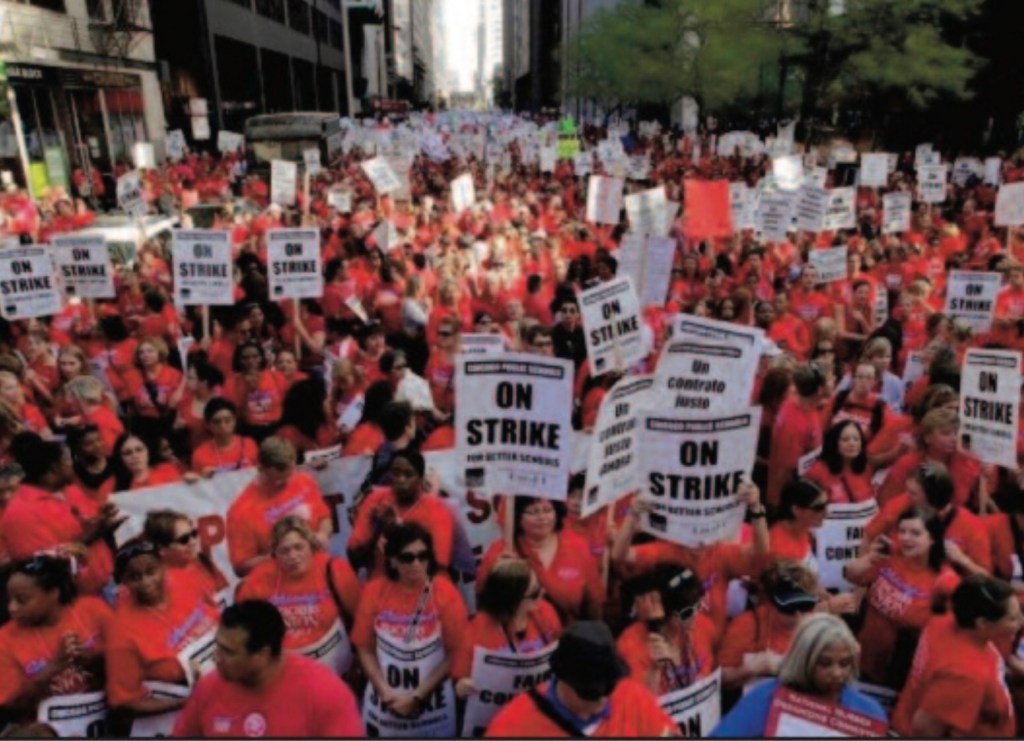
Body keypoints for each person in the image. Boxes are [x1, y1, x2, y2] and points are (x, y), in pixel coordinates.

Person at [172, 600, 365, 737]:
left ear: (262, 655)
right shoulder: (209, 687)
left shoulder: (325, 693)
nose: (216, 658)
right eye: (218, 646)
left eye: (228, 652)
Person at [351, 523, 467, 737]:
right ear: (392, 560)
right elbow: (363, 646)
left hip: (434, 708)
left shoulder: (445, 593)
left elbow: (456, 652)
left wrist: (418, 696)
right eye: (407, 557)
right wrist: (384, 692)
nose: (416, 563)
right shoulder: (375, 591)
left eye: (423, 556)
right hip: (384, 705)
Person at [484, 620, 678, 737]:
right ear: (563, 679)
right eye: (591, 692)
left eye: (609, 686)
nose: (603, 698)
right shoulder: (514, 725)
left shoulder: (631, 696)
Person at [710, 614, 888, 737]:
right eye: (825, 663)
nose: (836, 673)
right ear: (803, 659)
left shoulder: (869, 714)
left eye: (844, 663)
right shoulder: (765, 699)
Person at [844, 504, 959, 688]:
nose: (906, 538)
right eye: (902, 531)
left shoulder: (945, 580)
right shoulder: (890, 555)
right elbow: (851, 575)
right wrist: (870, 558)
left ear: (932, 539)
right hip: (859, 658)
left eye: (915, 533)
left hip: (899, 676)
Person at [893, 575, 1022, 737]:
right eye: (1013, 618)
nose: (1021, 622)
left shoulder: (944, 621)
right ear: (983, 623)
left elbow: (949, 582)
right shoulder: (966, 676)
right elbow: (924, 730)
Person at [105, 539, 221, 718]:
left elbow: (220, 618)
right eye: (134, 577)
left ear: (163, 565)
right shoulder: (120, 631)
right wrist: (186, 702)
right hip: (184, 709)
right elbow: (124, 702)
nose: (145, 582)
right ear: (124, 583)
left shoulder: (186, 578)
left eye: (151, 571)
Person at [235, 516, 361, 676]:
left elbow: (361, 621)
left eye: (298, 547)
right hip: (285, 674)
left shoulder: (334, 569)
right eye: (284, 551)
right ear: (274, 554)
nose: (292, 556)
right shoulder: (260, 579)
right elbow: (241, 630)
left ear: (311, 546)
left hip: (337, 669)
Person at [1, 432, 119, 595]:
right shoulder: (20, 514)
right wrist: (90, 537)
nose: (72, 465)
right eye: (66, 460)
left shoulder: (69, 489)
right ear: (54, 469)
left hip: (105, 582)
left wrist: (101, 518)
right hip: (76, 599)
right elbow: (42, 569)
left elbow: (85, 522)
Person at [0, 555, 112, 721]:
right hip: (46, 726)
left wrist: (90, 659)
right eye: (10, 599)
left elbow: (128, 665)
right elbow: (10, 707)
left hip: (106, 713)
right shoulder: (5, 639)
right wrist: (52, 668)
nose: (12, 608)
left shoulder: (92, 609)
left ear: (53, 593)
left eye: (22, 600)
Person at [453, 558, 562, 721]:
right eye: (534, 593)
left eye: (539, 587)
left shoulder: (546, 613)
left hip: (539, 712)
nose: (542, 593)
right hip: (498, 718)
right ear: (511, 600)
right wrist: (462, 687)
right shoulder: (477, 630)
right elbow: (459, 678)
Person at [478, 496, 604, 623]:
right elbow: (483, 600)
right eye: (532, 512)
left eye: (548, 510)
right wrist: (498, 574)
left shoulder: (578, 547)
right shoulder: (502, 550)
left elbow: (594, 602)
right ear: (517, 517)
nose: (542, 517)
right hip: (520, 638)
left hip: (568, 636)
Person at [225, 436, 331, 577]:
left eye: (291, 475)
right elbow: (241, 567)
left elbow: (325, 517)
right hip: (279, 584)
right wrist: (283, 555)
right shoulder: (240, 511)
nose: (287, 483)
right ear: (261, 469)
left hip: (319, 572)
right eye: (279, 481)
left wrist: (323, 534)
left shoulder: (303, 480)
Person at [348, 449, 455, 576]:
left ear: (420, 479)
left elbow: (440, 566)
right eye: (395, 473)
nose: (401, 479)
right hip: (380, 584)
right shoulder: (376, 499)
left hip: (421, 586)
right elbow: (355, 558)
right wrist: (377, 529)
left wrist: (395, 533)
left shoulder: (436, 510)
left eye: (408, 474)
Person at [719, 560, 820, 692]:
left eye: (805, 606)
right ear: (771, 604)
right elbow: (721, 679)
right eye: (789, 609)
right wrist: (750, 669)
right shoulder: (747, 625)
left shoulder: (820, 625)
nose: (798, 615)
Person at [616, 567, 718, 696]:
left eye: (698, 606)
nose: (696, 615)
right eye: (687, 613)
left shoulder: (703, 626)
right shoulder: (631, 643)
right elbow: (638, 703)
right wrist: (655, 669)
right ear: (665, 614)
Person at [143, 509, 229, 604]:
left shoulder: (201, 560)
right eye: (184, 540)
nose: (193, 542)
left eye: (194, 533)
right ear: (162, 548)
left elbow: (225, 593)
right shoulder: (160, 586)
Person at [804, 420, 875, 503]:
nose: (852, 443)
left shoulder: (864, 469)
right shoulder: (818, 470)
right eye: (845, 440)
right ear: (834, 443)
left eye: (856, 439)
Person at [189, 399, 259, 476]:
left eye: (227, 420)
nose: (223, 426)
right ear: (208, 425)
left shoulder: (249, 444)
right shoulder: (200, 454)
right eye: (216, 422)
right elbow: (198, 485)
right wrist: (201, 477)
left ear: (235, 421)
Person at [111, 432, 184, 492]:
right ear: (120, 458)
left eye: (139, 450)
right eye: (128, 453)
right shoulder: (117, 486)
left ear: (148, 451)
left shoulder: (166, 470)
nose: (134, 455)